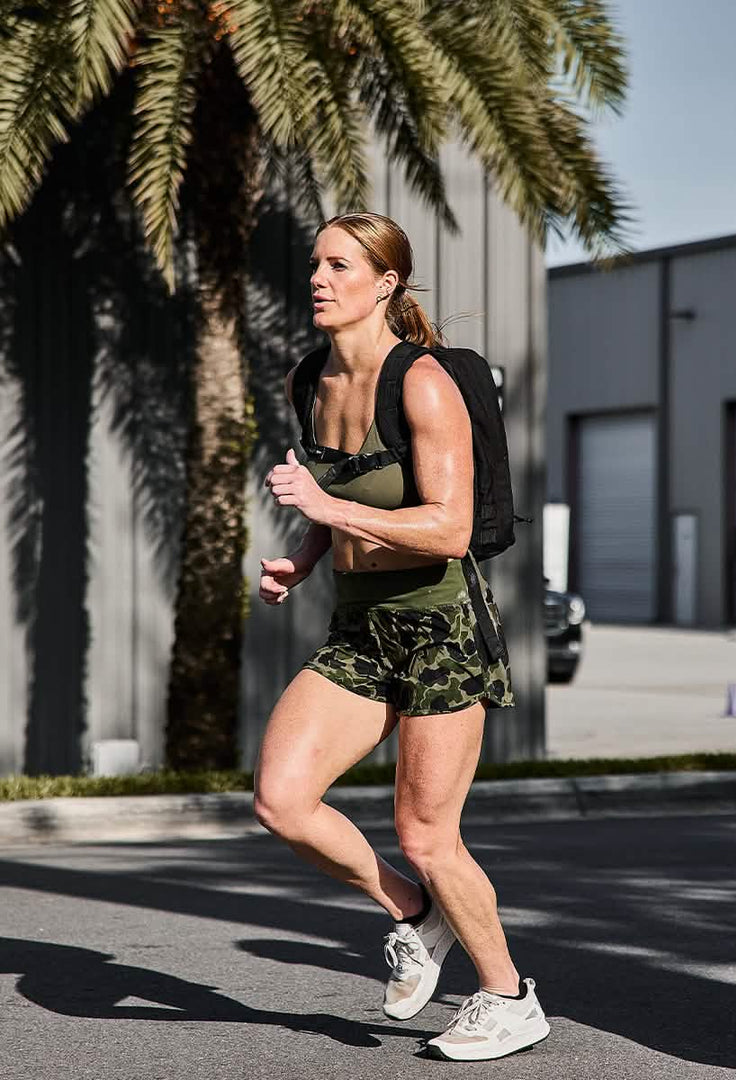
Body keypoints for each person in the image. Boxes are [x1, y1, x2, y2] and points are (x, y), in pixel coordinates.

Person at [256, 212, 550, 1062]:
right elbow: (346, 494)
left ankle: (509, 998)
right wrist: (306, 557)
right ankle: (415, 913)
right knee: (281, 799)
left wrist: (327, 508)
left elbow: (448, 528)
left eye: (340, 266)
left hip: (440, 628)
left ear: (385, 283)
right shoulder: (309, 378)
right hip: (359, 624)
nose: (319, 279)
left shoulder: (421, 383)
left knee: (427, 834)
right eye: (315, 263)